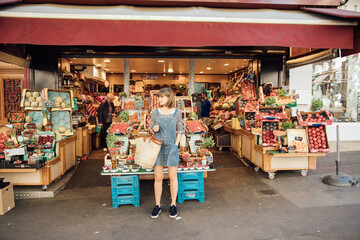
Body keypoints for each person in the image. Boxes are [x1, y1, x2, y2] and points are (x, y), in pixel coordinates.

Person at [150, 88, 184, 219]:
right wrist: (154, 129)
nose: (160, 99)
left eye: (162, 97)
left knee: (172, 177)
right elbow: (151, 130)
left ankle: (173, 204)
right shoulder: (155, 112)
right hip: (157, 148)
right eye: (159, 97)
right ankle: (157, 205)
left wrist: (176, 145)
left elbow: (180, 130)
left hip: (172, 147)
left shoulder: (177, 112)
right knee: (158, 177)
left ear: (169, 98)